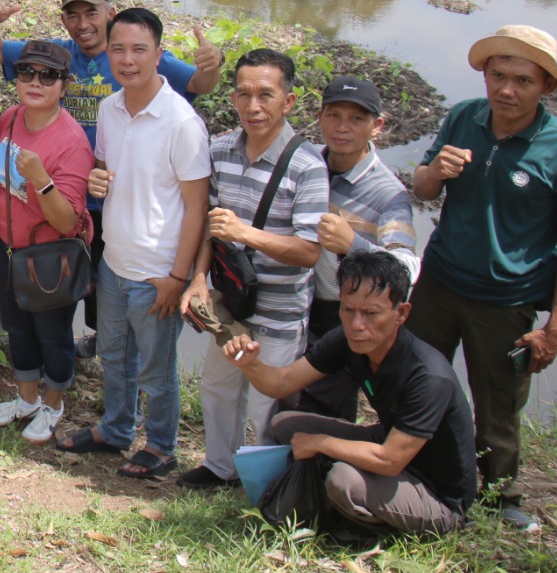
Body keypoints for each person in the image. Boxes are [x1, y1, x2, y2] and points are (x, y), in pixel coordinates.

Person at [407, 25, 557, 532]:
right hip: (440, 282)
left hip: (507, 298)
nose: (507, 90)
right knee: (417, 379)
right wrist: (436, 171)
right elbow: (421, 188)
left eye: (522, 80)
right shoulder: (464, 118)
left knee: (498, 402)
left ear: (545, 88)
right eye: (498, 76)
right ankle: (415, 466)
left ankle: (500, 493)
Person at [0, 0, 223, 356]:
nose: (83, 23)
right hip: (69, 189)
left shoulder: (136, 57)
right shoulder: (58, 55)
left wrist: (212, 65)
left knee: (105, 281)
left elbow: (200, 83)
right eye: (73, 15)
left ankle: (101, 343)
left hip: (114, 198)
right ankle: (67, 342)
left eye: (91, 13)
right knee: (71, 277)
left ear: (110, 13)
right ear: (63, 20)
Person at [222, 252, 477, 537]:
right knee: (287, 425)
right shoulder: (349, 340)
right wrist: (250, 364)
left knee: (343, 482)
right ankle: (339, 501)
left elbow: (389, 460)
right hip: (390, 448)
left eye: (371, 313)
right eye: (347, 309)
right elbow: (280, 383)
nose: (356, 324)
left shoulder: (428, 376)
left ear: (401, 314)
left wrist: (321, 443)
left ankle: (367, 526)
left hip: (436, 493)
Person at [56, 9, 209, 478]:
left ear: (159, 55)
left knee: (157, 370)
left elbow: (198, 210)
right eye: (117, 49)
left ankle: (162, 447)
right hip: (115, 261)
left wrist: (178, 279)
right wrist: (97, 180)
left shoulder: (182, 123)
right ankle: (117, 429)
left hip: (158, 271)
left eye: (139, 50)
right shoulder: (110, 108)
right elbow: (103, 165)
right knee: (114, 355)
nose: (127, 60)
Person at [179, 49, 328, 491]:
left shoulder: (307, 166)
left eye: (266, 94)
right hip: (231, 298)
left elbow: (309, 251)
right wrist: (200, 279)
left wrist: (247, 233)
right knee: (220, 383)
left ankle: (270, 483)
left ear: (290, 100)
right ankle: (220, 466)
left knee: (270, 399)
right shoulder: (221, 150)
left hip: (281, 309)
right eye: (243, 94)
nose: (253, 106)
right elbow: (210, 227)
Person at [0, 41, 95, 445]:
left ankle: (54, 405)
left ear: (65, 85)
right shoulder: (10, 119)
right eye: (26, 72)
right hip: (6, 245)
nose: (35, 82)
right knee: (16, 327)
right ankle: (26, 400)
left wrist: (41, 179)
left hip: (48, 255)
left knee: (53, 333)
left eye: (48, 76)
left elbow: (66, 220)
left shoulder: (73, 141)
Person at [295, 76, 418, 421]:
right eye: (334, 116)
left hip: (342, 313)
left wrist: (354, 246)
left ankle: (324, 471)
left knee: (323, 404)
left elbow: (405, 267)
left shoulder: (388, 193)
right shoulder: (303, 166)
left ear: (376, 126)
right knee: (286, 397)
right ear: (319, 117)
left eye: (356, 119)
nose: (342, 128)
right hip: (294, 299)